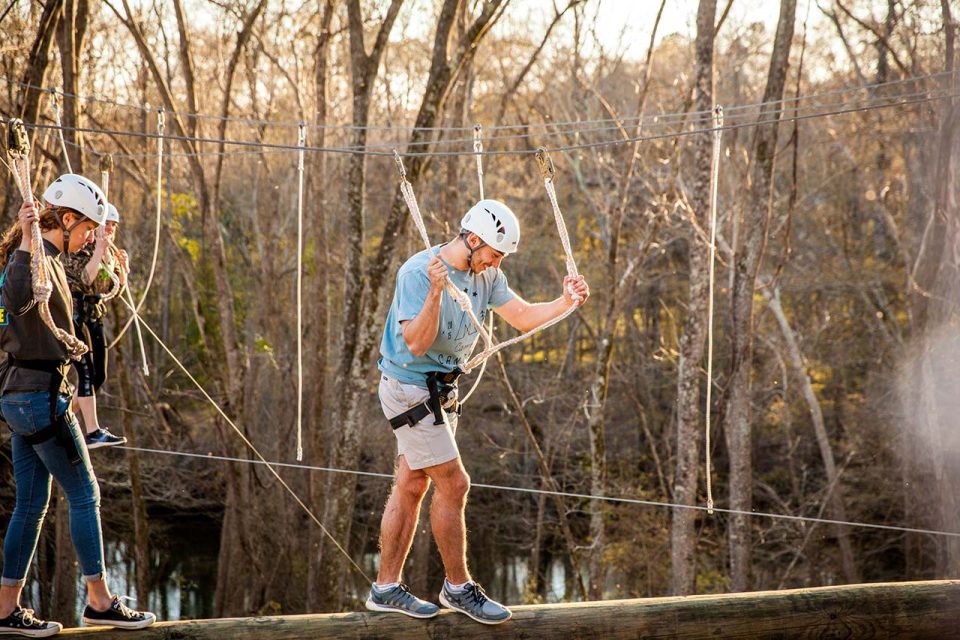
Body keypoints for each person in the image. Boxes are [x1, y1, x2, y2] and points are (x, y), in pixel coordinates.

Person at [366, 199, 589, 625]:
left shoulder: (487, 276)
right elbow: (415, 342)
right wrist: (435, 292)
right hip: (409, 389)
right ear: (472, 240)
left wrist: (565, 303)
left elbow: (522, 317)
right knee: (455, 483)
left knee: (412, 484)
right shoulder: (418, 274)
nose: (497, 262)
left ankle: (385, 588)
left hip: (441, 390)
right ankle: (457, 587)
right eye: (494, 253)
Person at [0, 174, 155, 636]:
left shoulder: (40, 261)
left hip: (18, 398)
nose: (90, 236)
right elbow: (15, 296)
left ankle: (5, 609)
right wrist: (28, 242)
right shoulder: (30, 263)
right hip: (41, 400)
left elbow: (81, 289)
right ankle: (100, 601)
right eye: (87, 228)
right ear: (65, 220)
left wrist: (106, 256)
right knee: (86, 494)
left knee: (31, 504)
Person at [63, 203, 129, 449]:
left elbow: (106, 288)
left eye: (113, 225)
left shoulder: (107, 251)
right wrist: (98, 251)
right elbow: (85, 279)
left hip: (95, 313)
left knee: (98, 376)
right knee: (86, 372)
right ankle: (91, 430)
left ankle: (63, 414)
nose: (110, 229)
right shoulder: (78, 248)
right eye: (107, 224)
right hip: (76, 312)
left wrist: (122, 273)